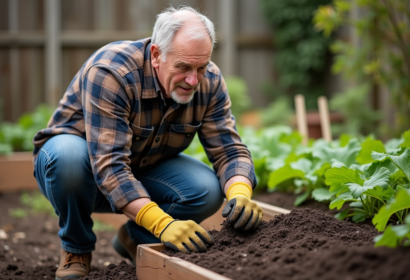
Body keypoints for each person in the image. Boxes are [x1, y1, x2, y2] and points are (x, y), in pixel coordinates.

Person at [33, 5, 263, 280]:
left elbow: (228, 149)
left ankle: (136, 239)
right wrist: (163, 223)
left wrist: (240, 194)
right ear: (156, 55)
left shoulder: (209, 81)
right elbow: (109, 165)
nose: (193, 80)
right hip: (78, 174)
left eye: (201, 67)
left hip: (142, 164)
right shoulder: (112, 72)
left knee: (205, 189)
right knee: (69, 158)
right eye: (183, 67)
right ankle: (76, 248)